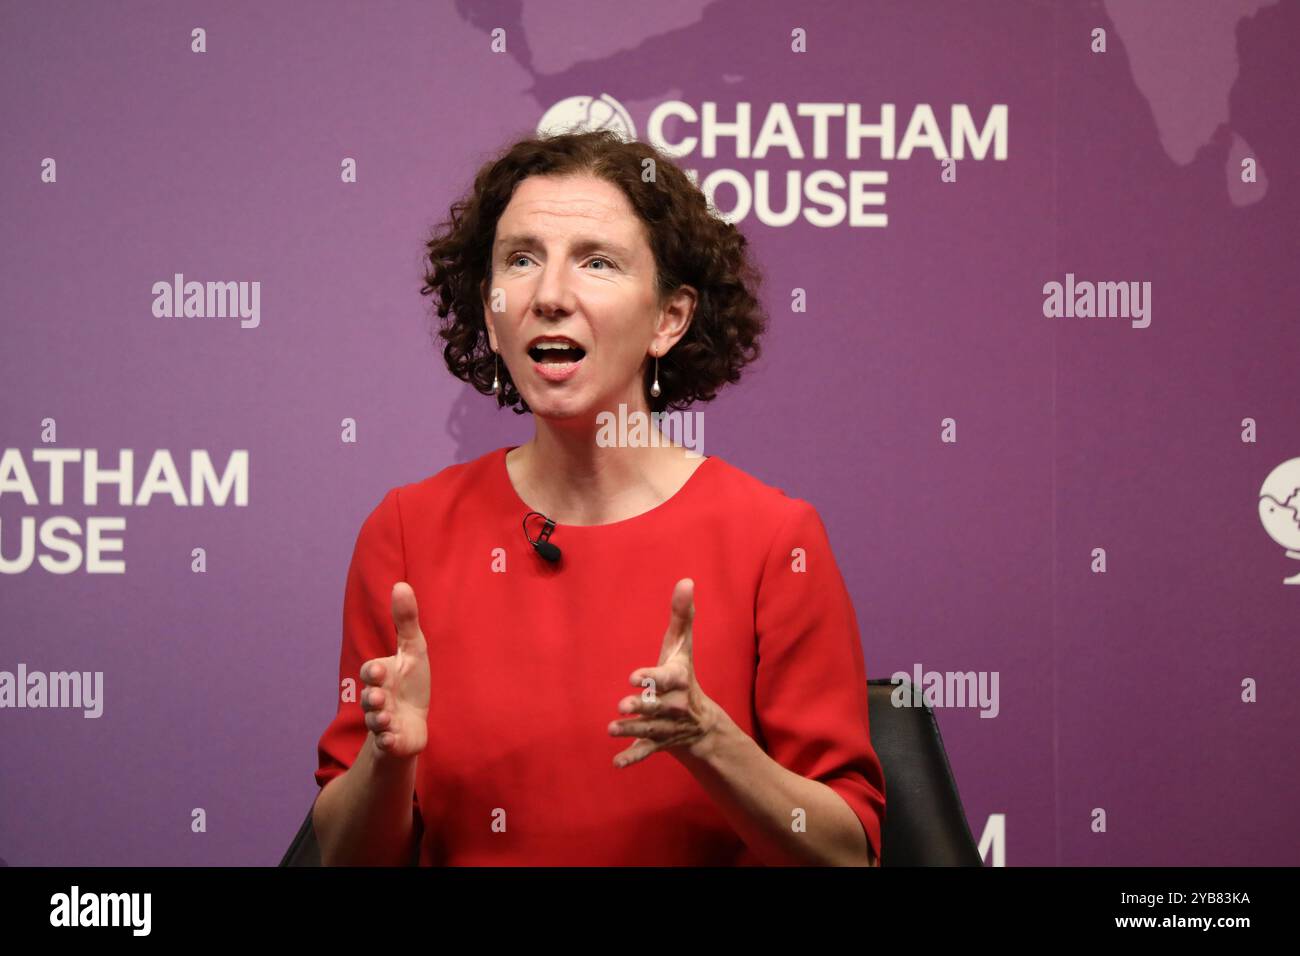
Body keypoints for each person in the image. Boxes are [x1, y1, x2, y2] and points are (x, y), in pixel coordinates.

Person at [310, 129, 886, 866]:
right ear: (490, 311)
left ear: (669, 319)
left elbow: (847, 855)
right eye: (520, 260)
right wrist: (388, 761)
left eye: (597, 262)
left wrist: (709, 741)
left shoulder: (775, 539)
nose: (549, 295)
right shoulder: (406, 532)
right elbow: (346, 858)